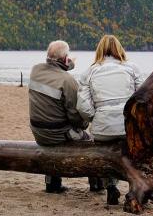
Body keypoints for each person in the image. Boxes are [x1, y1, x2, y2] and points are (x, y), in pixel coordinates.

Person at [77, 35, 144, 205]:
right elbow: (143, 99)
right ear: (120, 49)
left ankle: (110, 186)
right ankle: (134, 188)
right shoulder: (132, 68)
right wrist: (133, 119)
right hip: (126, 128)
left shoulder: (89, 71)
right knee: (134, 153)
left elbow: (82, 106)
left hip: (102, 128)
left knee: (106, 154)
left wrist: (96, 117)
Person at [28, 40, 102, 193]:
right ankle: (97, 185)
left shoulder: (35, 70)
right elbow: (75, 117)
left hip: (38, 132)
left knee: (52, 137)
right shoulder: (68, 81)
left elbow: (55, 70)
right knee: (90, 143)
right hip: (57, 135)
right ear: (65, 59)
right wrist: (83, 126)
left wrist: (68, 64)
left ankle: (52, 184)